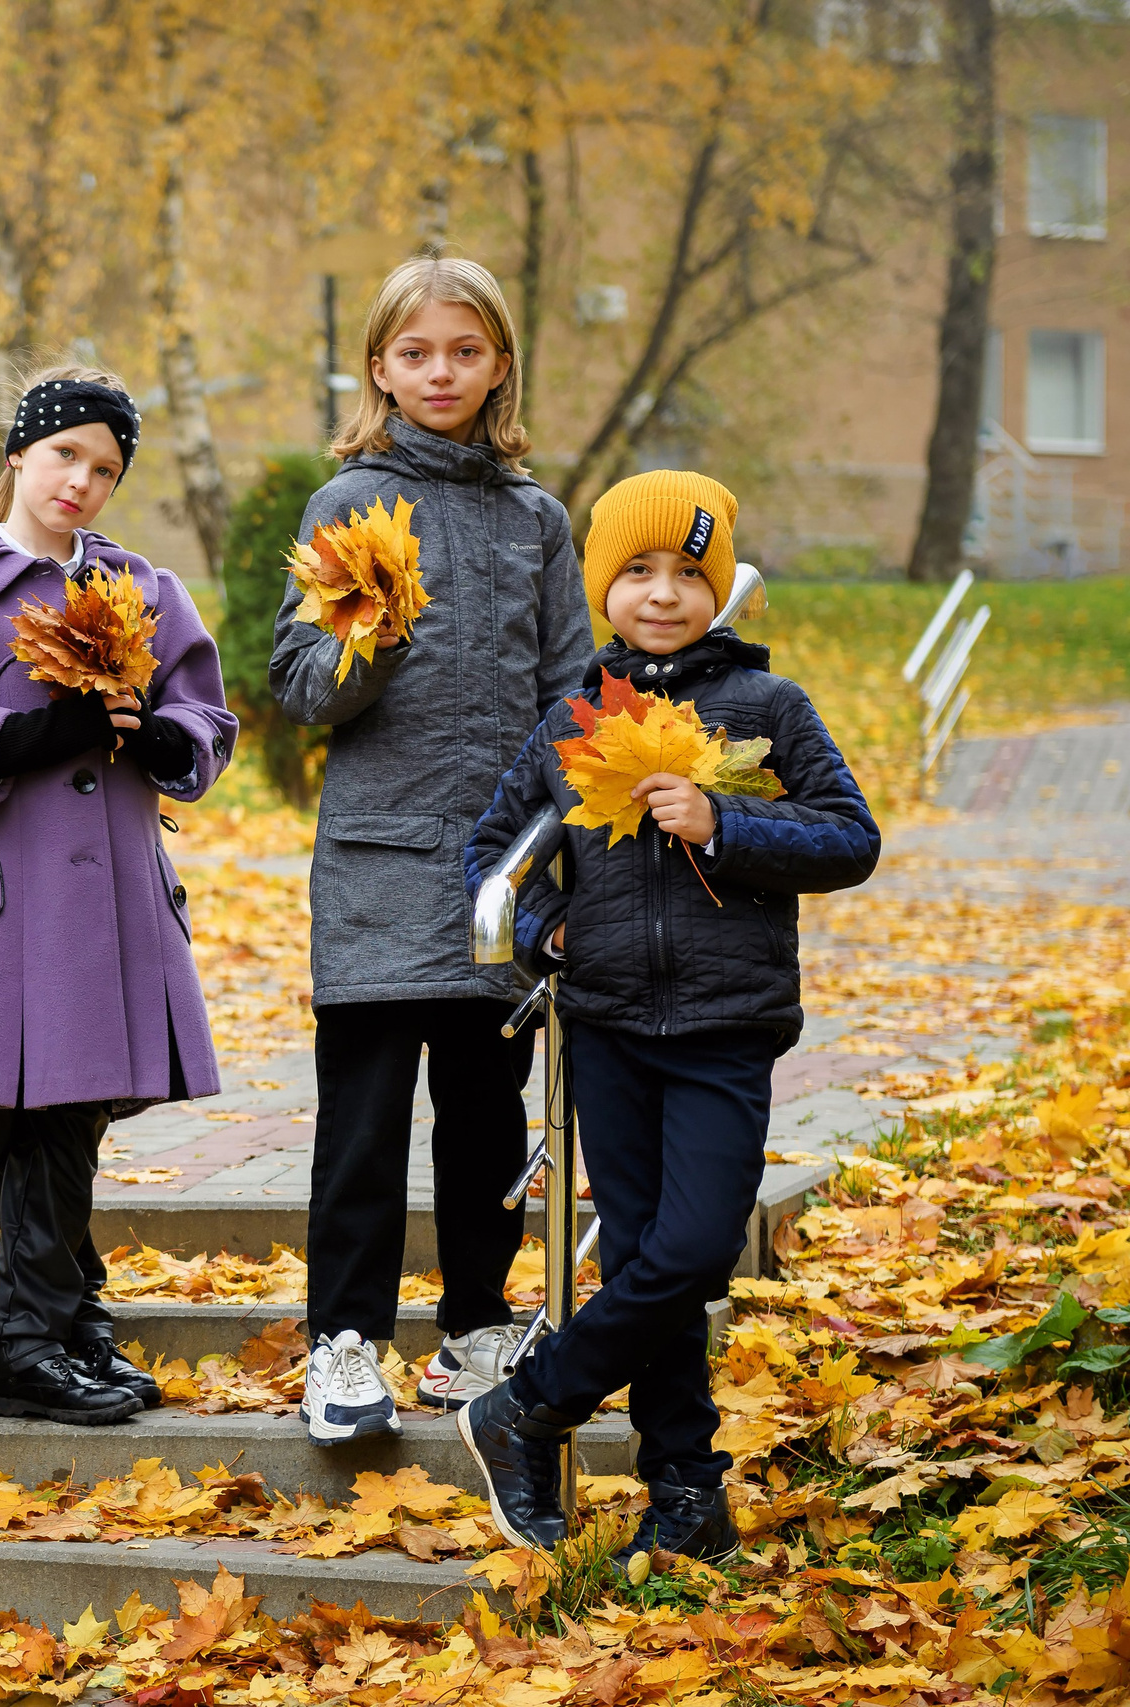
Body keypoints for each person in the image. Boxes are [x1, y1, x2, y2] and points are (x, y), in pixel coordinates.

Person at [459, 470, 879, 1561]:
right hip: (603, 1026)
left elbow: (848, 838)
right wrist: (545, 927)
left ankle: (530, 1404)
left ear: (722, 586)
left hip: (725, 1027)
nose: (661, 593)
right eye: (636, 572)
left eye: (687, 573)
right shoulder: (572, 718)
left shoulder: (767, 710)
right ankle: (685, 1493)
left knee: (691, 1251)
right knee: (645, 1258)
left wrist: (724, 827)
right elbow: (492, 853)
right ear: (604, 587)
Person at [268, 256, 593, 1445]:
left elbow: (569, 695)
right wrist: (374, 640)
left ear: (500, 363)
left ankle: (472, 1327)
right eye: (416, 353)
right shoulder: (343, 505)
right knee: (359, 1120)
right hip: (373, 861)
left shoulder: (535, 519)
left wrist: (565, 855)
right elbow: (300, 686)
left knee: (484, 1112)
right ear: (379, 369)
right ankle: (344, 1343)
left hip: (499, 872)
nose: (440, 372)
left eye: (464, 351)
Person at [0, 365, 237, 1427]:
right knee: (31, 1106)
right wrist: (30, 736)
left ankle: (61, 1320)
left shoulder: (146, 591)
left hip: (116, 894)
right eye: (65, 456)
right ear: (18, 455)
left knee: (68, 1105)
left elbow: (206, 721)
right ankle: (26, 1334)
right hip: (7, 894)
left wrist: (163, 736)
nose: (80, 481)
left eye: (105, 469)